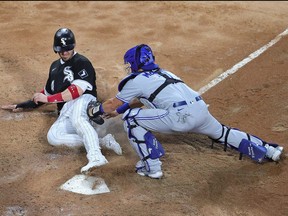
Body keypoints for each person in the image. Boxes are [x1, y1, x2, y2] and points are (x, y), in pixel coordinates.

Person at [86, 44, 284, 179]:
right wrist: (122, 108)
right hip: (200, 110)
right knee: (224, 133)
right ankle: (269, 150)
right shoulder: (165, 73)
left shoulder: (136, 80)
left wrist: (96, 110)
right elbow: (141, 100)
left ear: (136, 64)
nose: (128, 68)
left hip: (180, 118)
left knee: (131, 120)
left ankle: (152, 167)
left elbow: (111, 104)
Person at [1, 28, 122, 175]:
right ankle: (103, 141)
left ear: (73, 46)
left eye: (68, 49)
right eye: (61, 50)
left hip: (83, 101)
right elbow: (45, 94)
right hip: (66, 110)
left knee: (78, 119)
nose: (64, 52)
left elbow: (76, 91)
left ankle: (96, 156)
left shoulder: (82, 62)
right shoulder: (54, 67)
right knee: (54, 136)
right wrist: (21, 105)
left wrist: (48, 99)